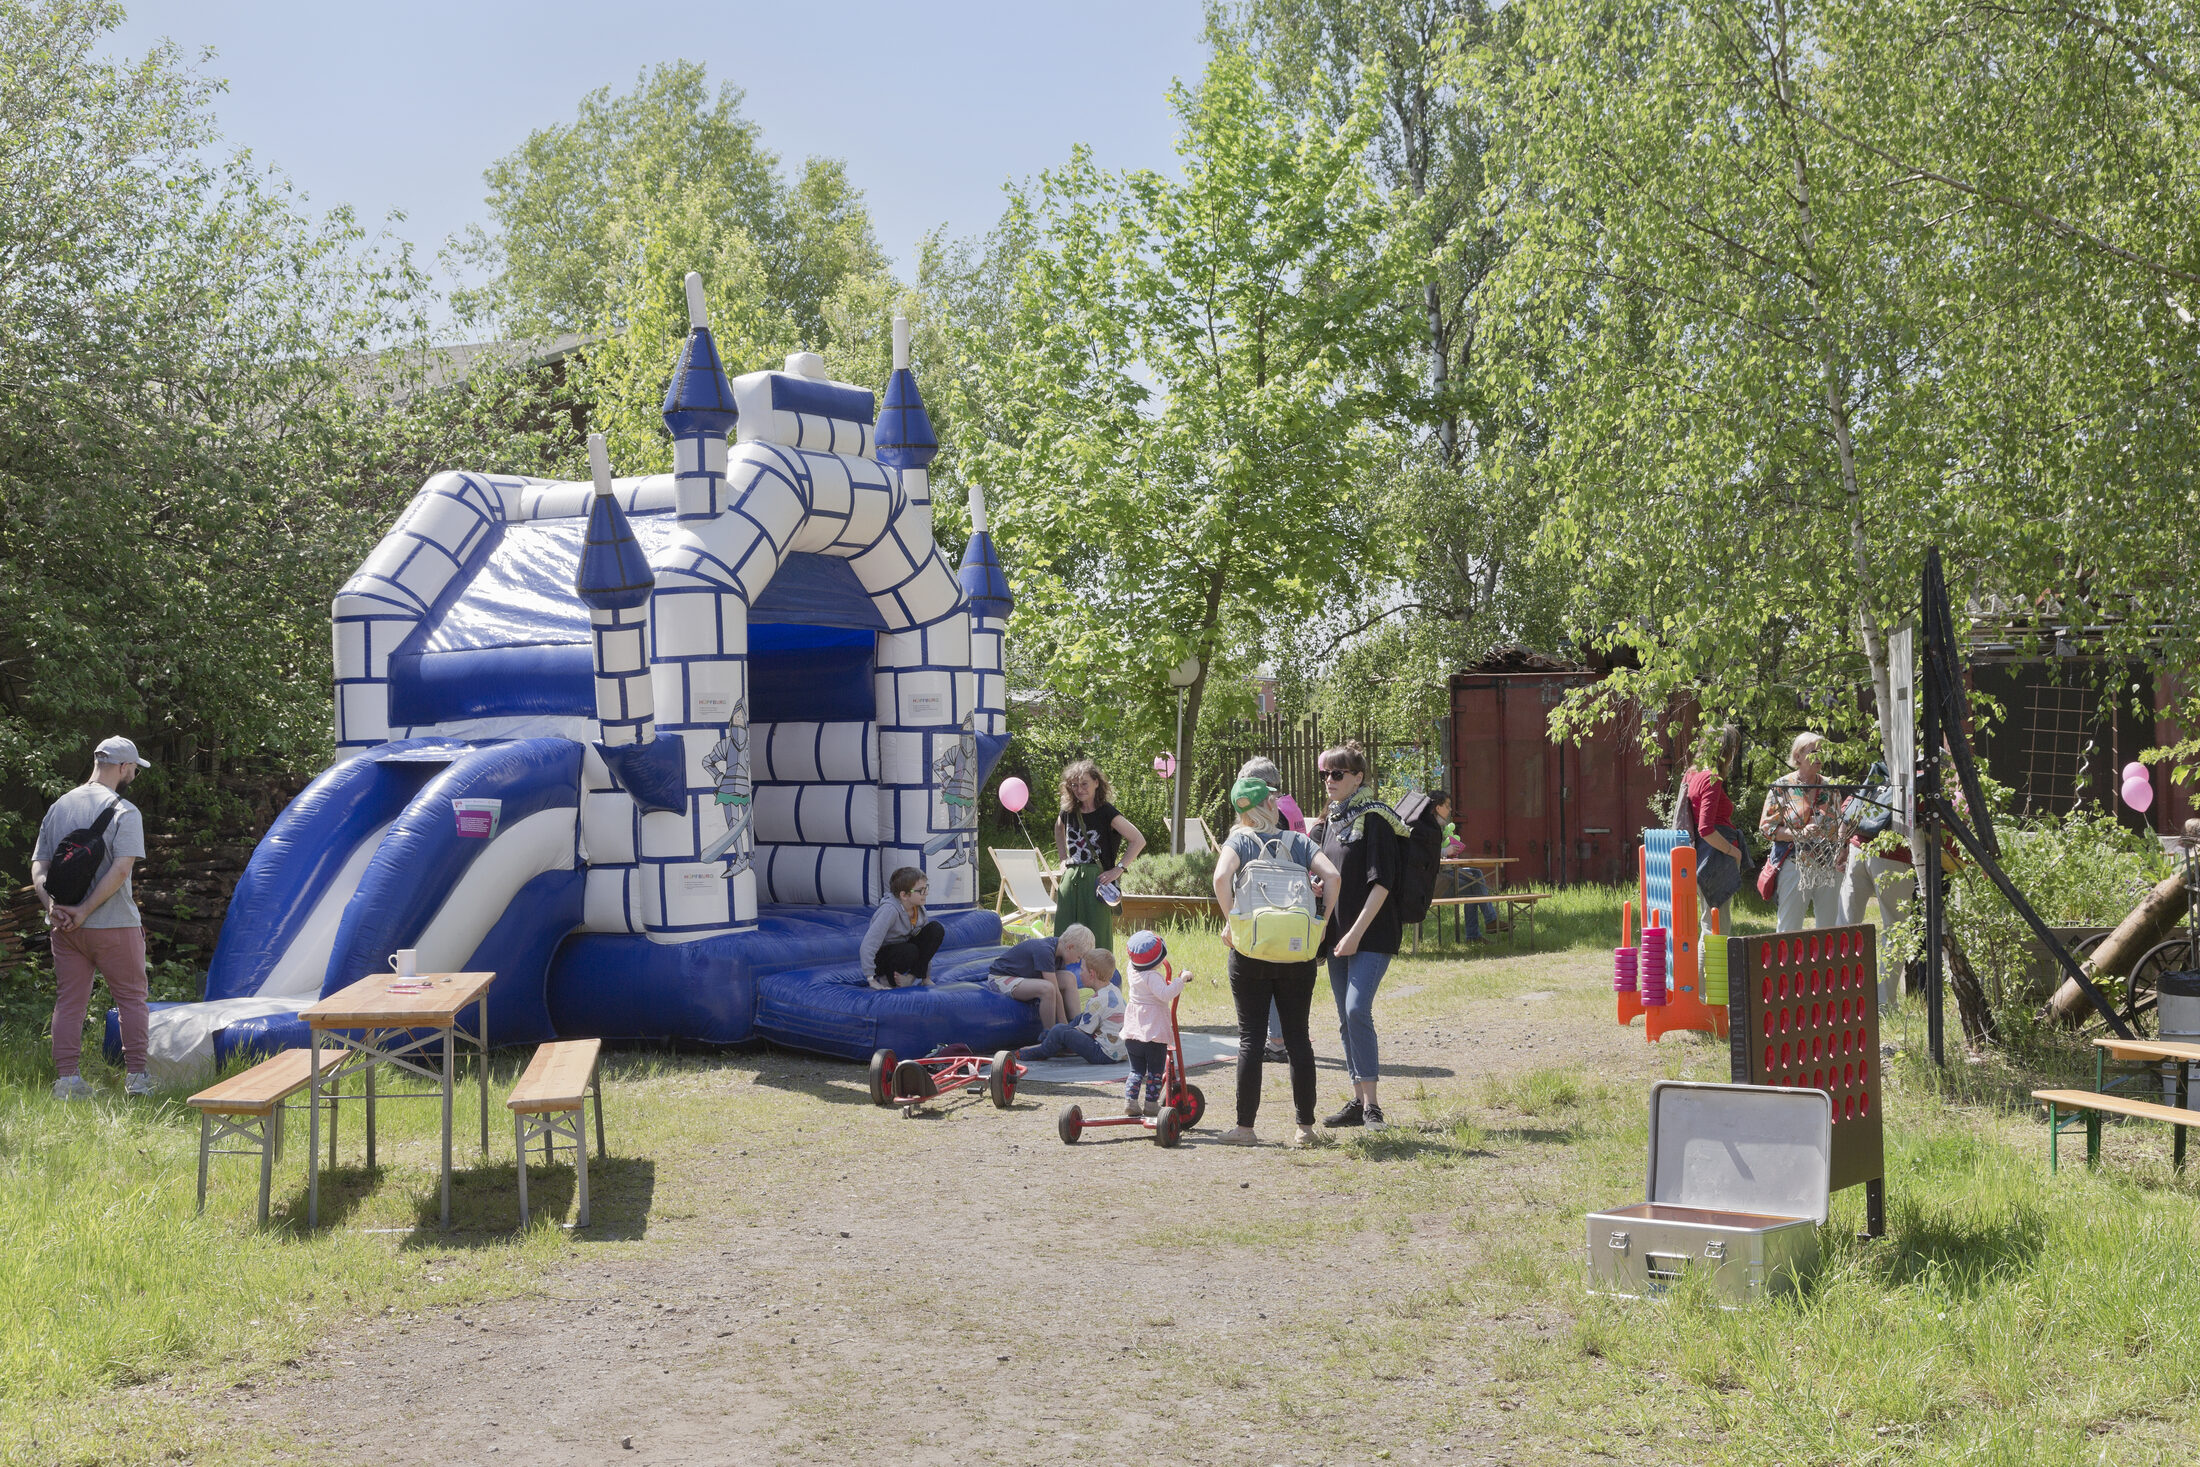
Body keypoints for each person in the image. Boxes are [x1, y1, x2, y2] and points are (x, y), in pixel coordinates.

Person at [1212, 773, 1340, 1146]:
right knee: (1298, 1037)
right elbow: (1332, 876)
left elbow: (1222, 878)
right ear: (1269, 804)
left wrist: (1232, 920)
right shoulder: (1299, 841)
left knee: (1251, 1037)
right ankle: (1304, 1129)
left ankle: (1245, 1130)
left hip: (1250, 948)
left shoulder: (1238, 840)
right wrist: (1321, 922)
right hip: (1297, 950)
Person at [32, 736, 155, 1099]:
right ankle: (137, 1080)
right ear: (122, 767)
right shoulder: (125, 811)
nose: (133, 773)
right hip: (114, 924)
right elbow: (120, 871)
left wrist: (52, 907)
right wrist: (85, 911)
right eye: (133, 767)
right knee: (131, 1000)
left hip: (65, 928)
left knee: (69, 1001)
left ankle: (67, 1081)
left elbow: (39, 865)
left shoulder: (59, 807)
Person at [1311, 740, 1410, 1131]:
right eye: (1325, 774)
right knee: (1343, 1018)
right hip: (1337, 933)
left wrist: (1354, 934)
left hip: (1371, 933)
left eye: (1337, 774)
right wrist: (1318, 884)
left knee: (1356, 1010)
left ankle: (1373, 1108)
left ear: (1358, 777)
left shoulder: (1375, 818)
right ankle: (1357, 1100)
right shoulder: (1334, 820)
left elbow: (1381, 885)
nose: (1329, 781)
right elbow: (1335, 875)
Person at [1053, 760, 1145, 950]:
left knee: (1097, 938)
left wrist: (1118, 870)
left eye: (1084, 783)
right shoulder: (1069, 810)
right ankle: (1063, 977)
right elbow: (1058, 829)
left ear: (1096, 782)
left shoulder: (1107, 812)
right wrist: (1063, 859)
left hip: (1098, 882)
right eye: (1074, 785)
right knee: (1064, 936)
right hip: (1071, 879)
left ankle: (1100, 977)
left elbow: (1138, 840)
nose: (1080, 789)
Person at [1760, 731, 1846, 931]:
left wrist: (1843, 847)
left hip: (1828, 865)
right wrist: (1798, 834)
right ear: (1797, 756)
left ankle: (1825, 963)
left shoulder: (1830, 786)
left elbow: (1841, 819)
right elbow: (1767, 828)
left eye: (1823, 752)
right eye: (1814, 751)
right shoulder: (1782, 786)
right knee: (1789, 928)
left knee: (1830, 928)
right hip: (1794, 863)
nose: (1820, 757)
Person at [1680, 724, 1748, 932]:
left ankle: (1705, 966)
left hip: (1701, 854)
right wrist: (1733, 851)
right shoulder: (1712, 779)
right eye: (1734, 748)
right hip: (1715, 855)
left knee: (1709, 919)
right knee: (1717, 924)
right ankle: (1714, 966)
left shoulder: (1692, 774)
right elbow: (1706, 828)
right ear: (1726, 750)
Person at [1119, 930, 1191, 1118]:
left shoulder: (1131, 969)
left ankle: (1130, 1101)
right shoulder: (1153, 977)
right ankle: (1151, 1105)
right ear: (1157, 962)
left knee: (1136, 1070)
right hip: (1153, 1033)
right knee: (1155, 1072)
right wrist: (1180, 980)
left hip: (1133, 1031)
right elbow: (1165, 994)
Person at [1016, 950, 1125, 1064]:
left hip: (1103, 1054)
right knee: (1080, 1017)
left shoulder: (1096, 1001)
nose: (1080, 973)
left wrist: (1060, 1035)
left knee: (1060, 1031)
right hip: (1120, 1052)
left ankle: (1041, 1050)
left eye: (1082, 970)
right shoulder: (1113, 990)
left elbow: (1082, 1032)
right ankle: (1051, 1040)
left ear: (1092, 974)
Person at [985, 924, 1093, 1029]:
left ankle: (1078, 1026)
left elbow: (1062, 989)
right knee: (1048, 988)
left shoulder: (1060, 953)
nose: (1077, 961)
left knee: (1069, 978)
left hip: (1026, 976)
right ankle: (1051, 1034)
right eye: (1079, 957)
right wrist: (1063, 1026)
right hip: (1001, 978)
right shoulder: (1045, 950)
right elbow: (1056, 991)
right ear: (1070, 947)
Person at [860, 866, 945, 989]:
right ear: (904, 895)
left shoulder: (920, 910)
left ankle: (910, 978)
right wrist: (870, 979)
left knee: (935, 929)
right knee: (910, 950)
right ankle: (887, 979)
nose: (926, 893)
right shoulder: (890, 910)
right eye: (921, 890)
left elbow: (927, 947)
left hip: (905, 951)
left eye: (926, 888)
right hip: (885, 958)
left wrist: (926, 977)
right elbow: (868, 945)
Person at [1426, 790, 1491, 941]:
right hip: (1433, 884)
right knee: (1474, 887)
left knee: (1476, 874)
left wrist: (1448, 853)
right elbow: (1424, 853)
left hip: (1442, 875)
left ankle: (1487, 923)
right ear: (1437, 807)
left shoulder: (1439, 826)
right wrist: (1444, 851)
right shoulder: (1427, 828)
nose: (1450, 810)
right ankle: (1482, 927)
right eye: (1447, 806)